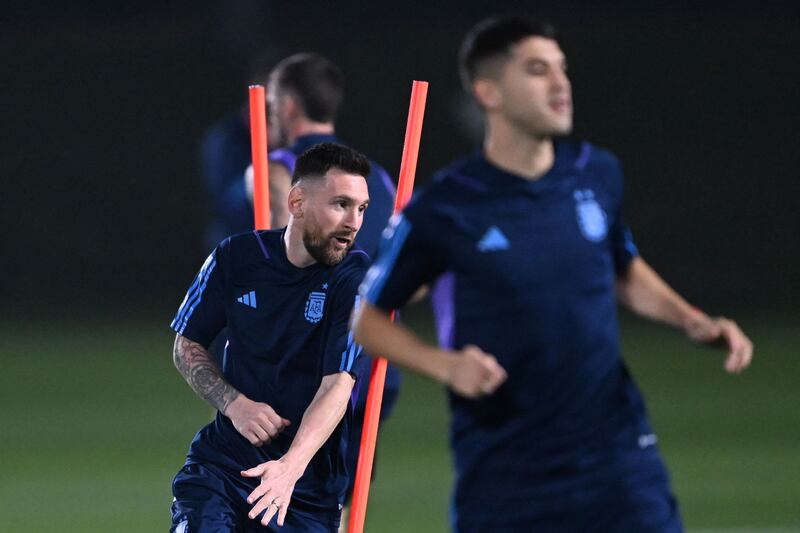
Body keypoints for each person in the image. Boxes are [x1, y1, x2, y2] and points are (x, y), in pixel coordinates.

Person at [353, 15, 753, 532]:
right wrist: (446, 365)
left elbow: (621, 268)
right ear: (489, 92)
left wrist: (691, 319)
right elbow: (366, 318)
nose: (561, 83)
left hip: (618, 456)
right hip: (507, 472)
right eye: (538, 70)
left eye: (561, 68)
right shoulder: (445, 207)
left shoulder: (597, 172)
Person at [170, 142, 372, 532]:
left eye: (361, 208)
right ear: (296, 202)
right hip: (224, 467)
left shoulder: (355, 279)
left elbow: (338, 384)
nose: (354, 222)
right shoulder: (235, 257)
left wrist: (288, 468)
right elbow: (186, 344)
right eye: (340, 204)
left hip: (307, 489)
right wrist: (234, 404)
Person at [245, 52, 402, 506]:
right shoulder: (379, 182)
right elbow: (408, 274)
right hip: (371, 363)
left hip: (304, 364)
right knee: (330, 507)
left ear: (288, 106)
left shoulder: (275, 170)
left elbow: (276, 257)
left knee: (280, 501)